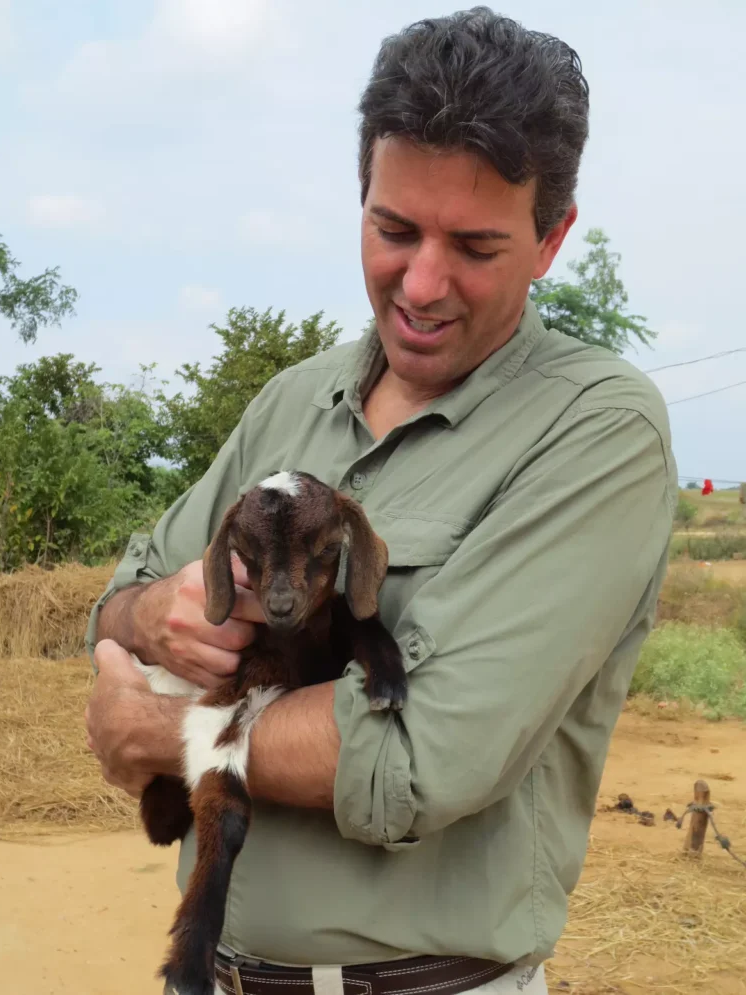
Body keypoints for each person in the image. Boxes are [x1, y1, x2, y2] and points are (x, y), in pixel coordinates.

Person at [85, 8, 676, 995]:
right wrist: (155, 617)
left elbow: (421, 755)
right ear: (360, 194)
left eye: (477, 246)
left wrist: (161, 729)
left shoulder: (597, 430)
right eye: (393, 228)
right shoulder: (290, 401)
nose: (423, 282)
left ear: (552, 237)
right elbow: (120, 600)